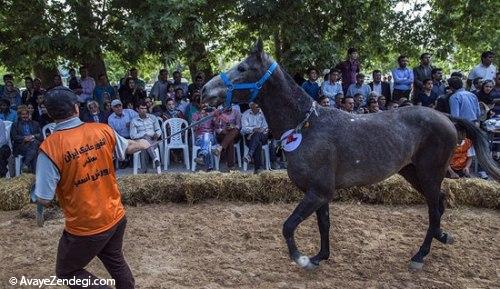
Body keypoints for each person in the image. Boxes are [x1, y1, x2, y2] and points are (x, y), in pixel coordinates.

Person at [32, 86, 151, 288]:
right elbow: (129, 146)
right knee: (114, 258)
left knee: (67, 272)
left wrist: (33, 194)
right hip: (116, 215)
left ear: (49, 113)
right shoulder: (102, 130)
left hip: (85, 227)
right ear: (76, 108)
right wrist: (144, 143)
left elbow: (44, 198)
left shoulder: (50, 148)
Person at [130, 101, 162, 173]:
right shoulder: (134, 121)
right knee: (145, 140)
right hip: (140, 141)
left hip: (153, 140)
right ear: (137, 109)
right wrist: (144, 135)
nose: (144, 110)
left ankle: (144, 170)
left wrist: (157, 134)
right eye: (141, 108)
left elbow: (158, 129)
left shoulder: (153, 118)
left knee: (145, 145)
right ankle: (155, 158)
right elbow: (132, 135)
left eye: (145, 108)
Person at [241, 102, 272, 173]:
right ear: (251, 107)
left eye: (258, 106)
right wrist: (253, 130)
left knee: (257, 134)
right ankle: (257, 169)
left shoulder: (263, 113)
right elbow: (243, 129)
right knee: (258, 143)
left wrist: (255, 132)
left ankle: (249, 155)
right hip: (249, 137)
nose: (258, 108)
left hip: (263, 135)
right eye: (256, 106)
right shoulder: (246, 114)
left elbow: (266, 127)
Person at [10, 105, 42, 173]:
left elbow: (41, 135)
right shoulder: (15, 125)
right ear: (19, 115)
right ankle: (35, 175)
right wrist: (25, 138)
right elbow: (14, 137)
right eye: (23, 114)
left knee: (34, 144)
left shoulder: (35, 123)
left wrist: (33, 136)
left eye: (27, 114)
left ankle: (25, 164)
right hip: (21, 145)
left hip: (33, 144)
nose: (25, 116)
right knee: (35, 148)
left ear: (29, 114)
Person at [192, 104, 218, 171]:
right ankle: (209, 167)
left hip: (211, 137)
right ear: (200, 107)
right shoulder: (195, 115)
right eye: (203, 107)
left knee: (207, 136)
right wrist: (201, 120)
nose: (205, 108)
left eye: (207, 107)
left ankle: (201, 156)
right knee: (208, 143)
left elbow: (217, 126)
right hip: (199, 138)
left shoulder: (211, 115)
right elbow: (193, 127)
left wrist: (215, 115)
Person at [215, 106, 241, 171]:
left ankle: (220, 148)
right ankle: (231, 166)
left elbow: (239, 125)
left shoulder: (236, 112)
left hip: (234, 134)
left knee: (234, 131)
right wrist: (222, 130)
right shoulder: (220, 112)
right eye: (226, 111)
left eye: (229, 111)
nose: (228, 112)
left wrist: (233, 126)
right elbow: (216, 127)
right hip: (223, 134)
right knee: (230, 140)